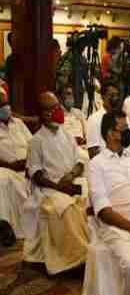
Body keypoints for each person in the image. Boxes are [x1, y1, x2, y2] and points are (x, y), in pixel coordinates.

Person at [87, 111, 130, 295]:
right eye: (123, 129)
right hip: (117, 225)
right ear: (109, 134)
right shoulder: (96, 164)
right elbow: (103, 211)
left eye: (127, 128)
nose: (127, 133)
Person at [23, 92, 89, 275]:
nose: (53, 112)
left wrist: (71, 176)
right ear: (41, 114)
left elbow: (79, 161)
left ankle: (93, 248)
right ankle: (75, 258)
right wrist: (60, 187)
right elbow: (36, 174)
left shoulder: (67, 134)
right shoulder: (36, 141)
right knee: (66, 208)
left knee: (89, 198)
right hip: (49, 189)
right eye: (48, 110)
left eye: (56, 107)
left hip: (70, 181)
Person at [0, 89, 31, 238]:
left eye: (6, 103)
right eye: (1, 105)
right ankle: (5, 226)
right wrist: (11, 165)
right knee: (2, 179)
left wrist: (30, 161)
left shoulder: (18, 123)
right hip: (7, 168)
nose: (5, 108)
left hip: (28, 166)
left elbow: (33, 144)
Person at [86, 80, 130, 159]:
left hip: (127, 160)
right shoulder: (94, 119)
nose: (115, 98)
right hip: (107, 165)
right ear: (103, 96)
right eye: (111, 95)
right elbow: (92, 152)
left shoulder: (123, 117)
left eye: (117, 95)